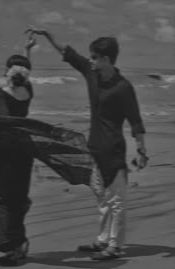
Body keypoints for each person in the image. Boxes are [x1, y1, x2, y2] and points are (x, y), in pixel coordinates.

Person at [26, 27, 148, 260]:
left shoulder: (123, 87)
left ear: (106, 59)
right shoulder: (91, 73)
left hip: (114, 150)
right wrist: (49, 34)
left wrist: (141, 149)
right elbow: (68, 53)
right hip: (94, 148)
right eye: (90, 57)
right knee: (102, 197)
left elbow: (135, 121)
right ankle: (102, 240)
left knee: (117, 201)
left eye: (94, 57)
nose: (90, 61)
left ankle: (115, 246)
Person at [0, 35, 36, 266]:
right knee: (17, 196)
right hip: (24, 150)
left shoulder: (3, 93)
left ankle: (14, 247)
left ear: (8, 72)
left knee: (2, 198)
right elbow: (24, 72)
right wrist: (27, 51)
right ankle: (19, 244)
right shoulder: (27, 90)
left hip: (7, 152)